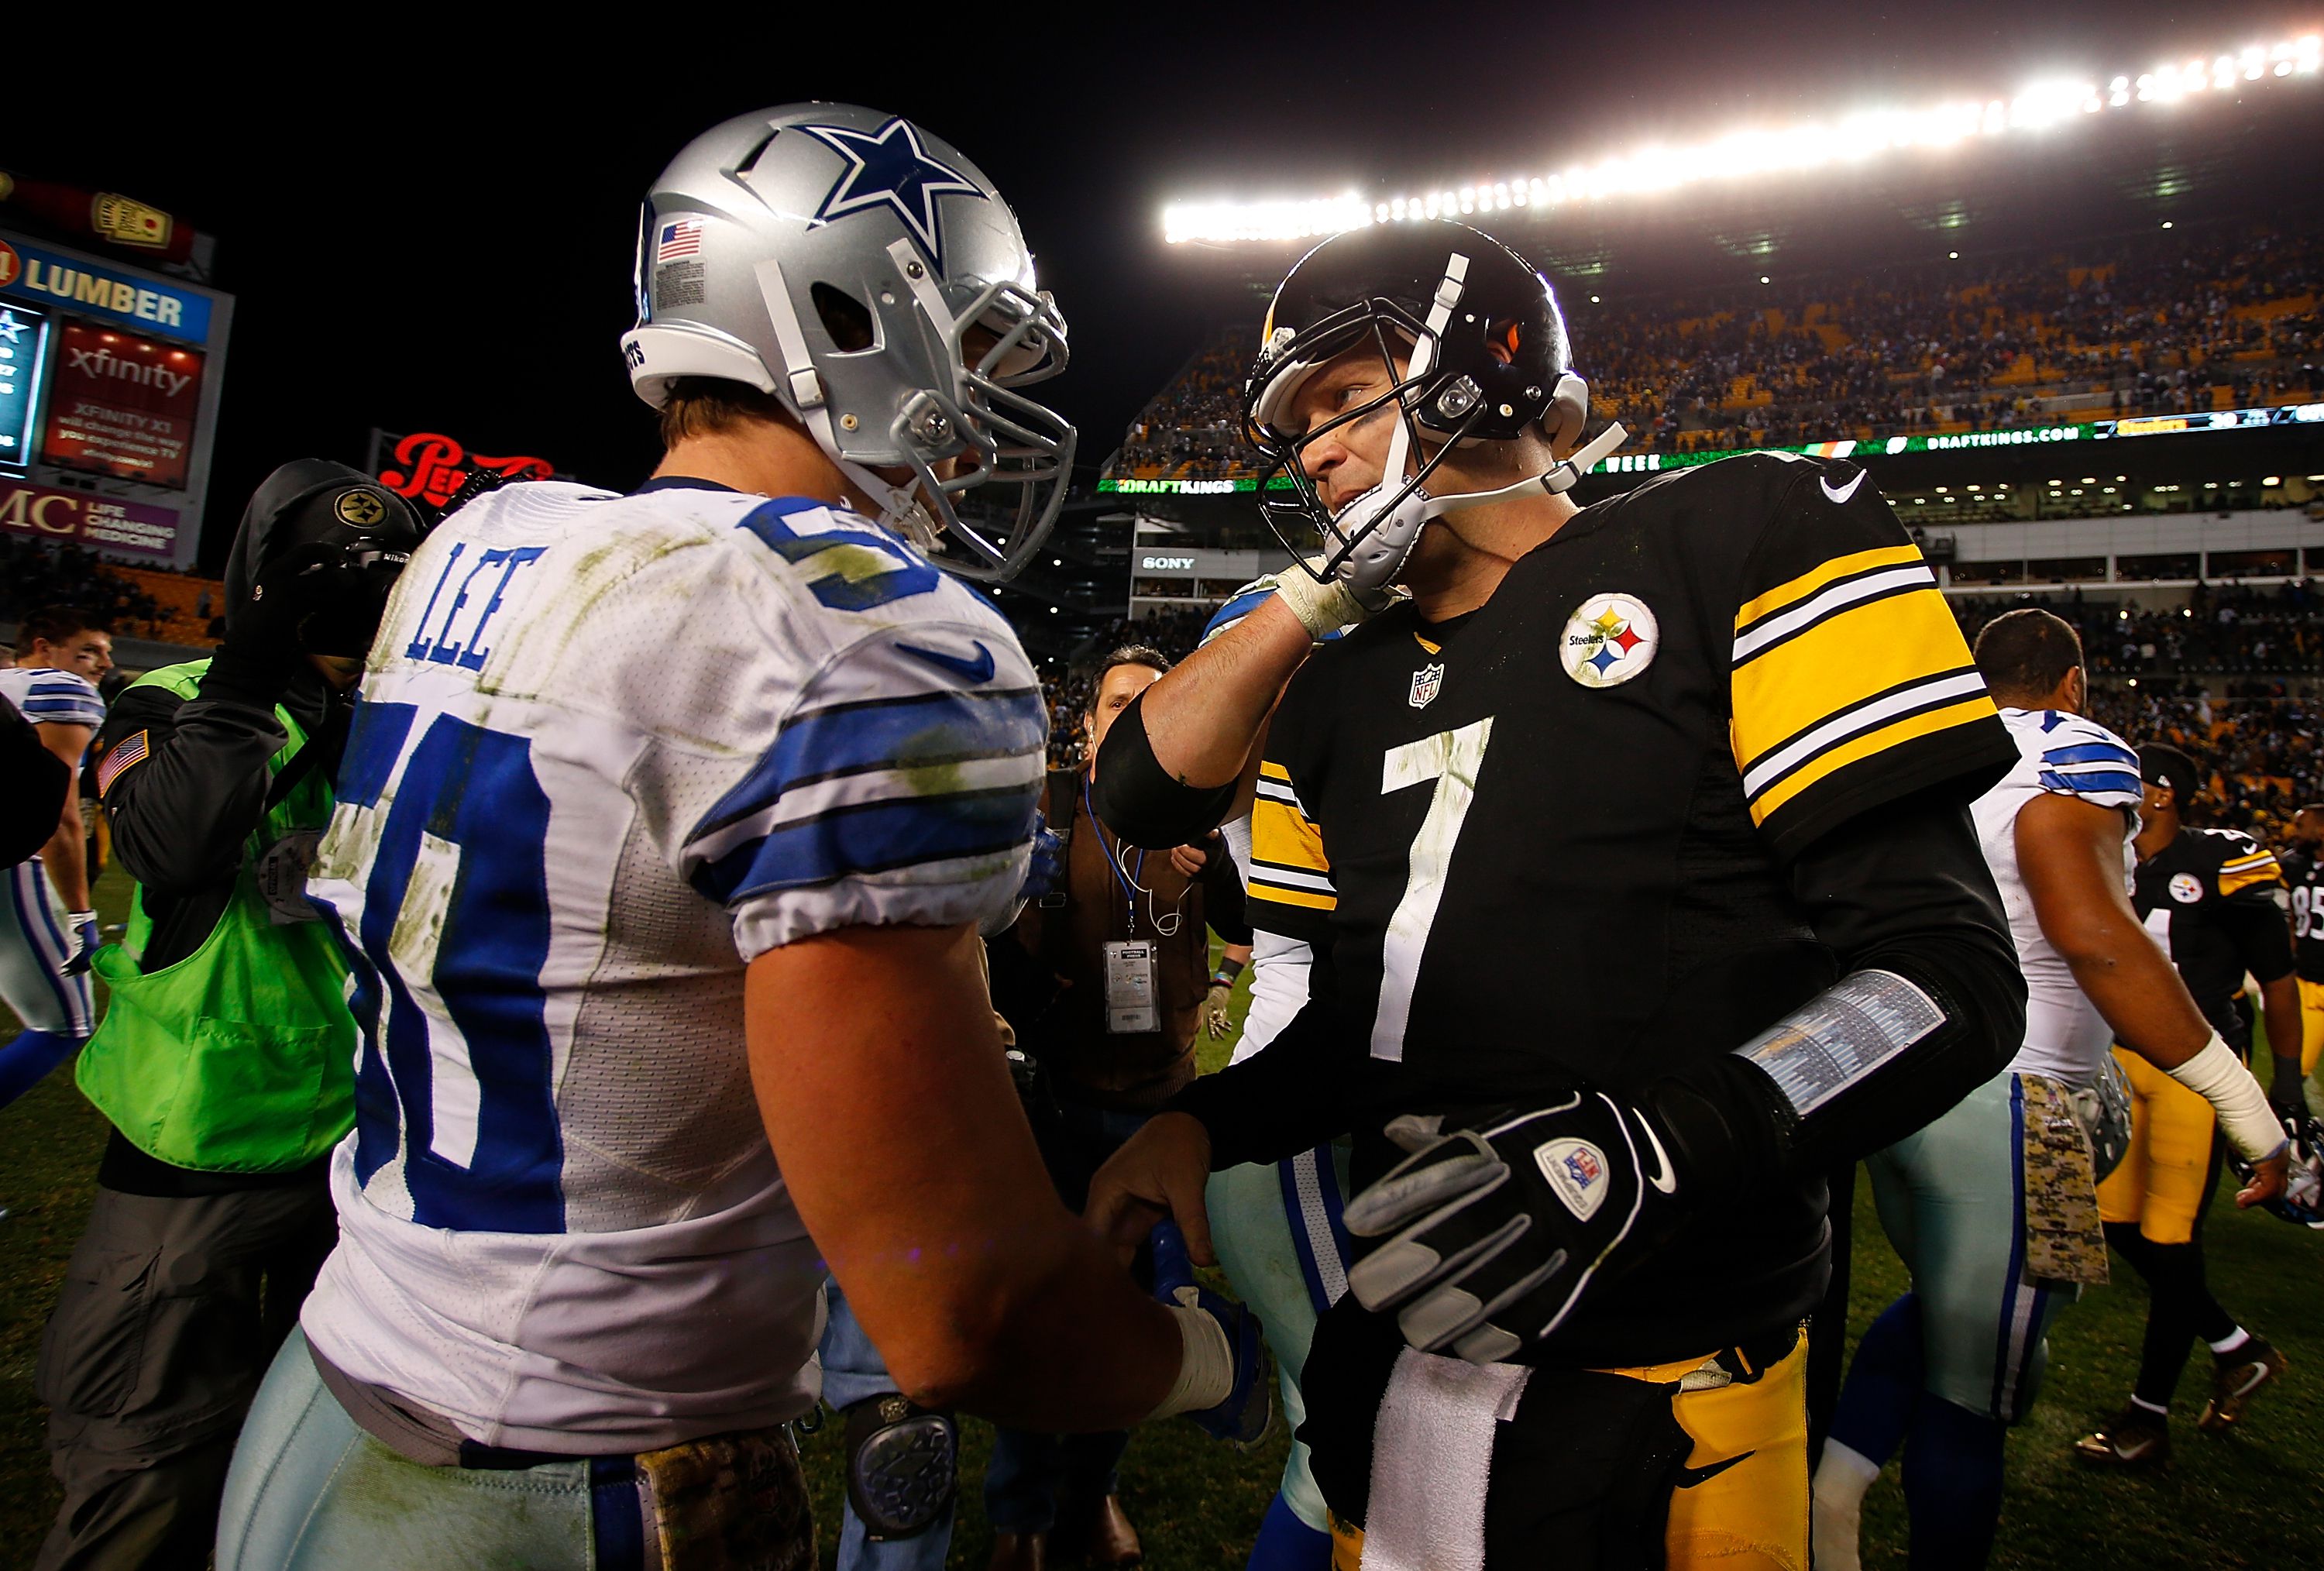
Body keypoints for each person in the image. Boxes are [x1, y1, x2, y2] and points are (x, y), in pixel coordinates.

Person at [215, 105, 1261, 1571]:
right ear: (849, 313)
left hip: (335, 1383)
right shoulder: (866, 633)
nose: (981, 414)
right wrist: (1197, 1356)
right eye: (972, 349)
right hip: (574, 1475)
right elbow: (958, 1310)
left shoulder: (488, 540)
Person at [1085, 217, 2027, 1569]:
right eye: (1296, 427)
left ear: (1484, 365)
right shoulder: (1337, 692)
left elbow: (1947, 977)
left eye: (1345, 398)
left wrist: (1644, 1146)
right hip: (1405, 1339)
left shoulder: (1745, 526)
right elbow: (1355, 1021)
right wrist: (1206, 1119)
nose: (1316, 450)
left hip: (1679, 1364)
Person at [1811, 609, 2288, 1570]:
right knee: (1973, 1390)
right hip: (2022, 1101)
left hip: (1906, 1083)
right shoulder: (2073, 750)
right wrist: (2247, 1105)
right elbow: (2093, 933)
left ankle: (1830, 1507)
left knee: (1946, 1310)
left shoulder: (1925, 749)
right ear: (2072, 684)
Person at [34, 465, 423, 1571]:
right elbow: (174, 842)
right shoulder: (176, 694)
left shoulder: (408, 713)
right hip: (191, 1156)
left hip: (358, 1163)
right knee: (141, 1464)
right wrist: (258, 655)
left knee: (325, 1477)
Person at [983, 643, 1250, 1570]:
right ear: (1088, 723)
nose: (1135, 718)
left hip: (1156, 1110)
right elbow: (986, 942)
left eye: (1154, 702)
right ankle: (1018, 1507)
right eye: (1118, 704)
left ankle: (1091, 1496)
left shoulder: (1198, 809)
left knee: (1130, 1321)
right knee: (1042, 1314)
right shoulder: (1048, 808)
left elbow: (1253, 934)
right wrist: (1043, 1005)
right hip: (1056, 1109)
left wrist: (1213, 865)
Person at [2071, 743, 2302, 1468]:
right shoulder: (2107, 853)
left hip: (2193, 1073)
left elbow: (2281, 979)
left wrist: (2287, 1081)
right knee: (2116, 1230)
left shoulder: (2221, 861)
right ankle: (2236, 1348)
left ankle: (2148, 1419)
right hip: (2117, 1062)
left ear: (2164, 794)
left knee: (2172, 1240)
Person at [0, 608, 111, 1110]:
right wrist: (83, 914)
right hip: (11, 862)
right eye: (90, 650)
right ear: (44, 648)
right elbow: (58, 816)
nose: (106, 662)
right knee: (66, 1023)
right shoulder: (57, 688)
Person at [2284, 804, 2324, 1098]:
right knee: (2295, 1072)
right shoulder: (2291, 865)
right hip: (2309, 984)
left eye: (2301, 826)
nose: (2292, 832)